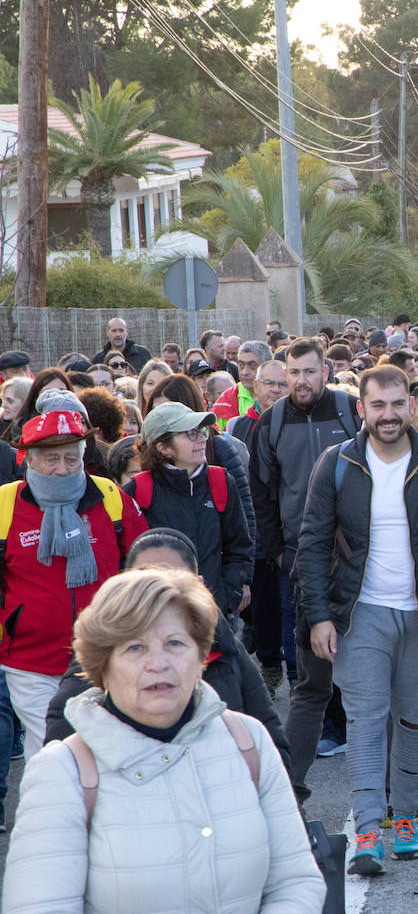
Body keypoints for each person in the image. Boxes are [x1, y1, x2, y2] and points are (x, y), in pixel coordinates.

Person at [1, 569, 325, 912]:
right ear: (102, 665)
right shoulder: (62, 772)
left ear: (201, 656)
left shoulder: (248, 741)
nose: (158, 663)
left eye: (175, 643)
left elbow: (295, 881)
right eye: (135, 647)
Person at [294, 364, 418, 875]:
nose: (388, 416)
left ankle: (404, 819)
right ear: (361, 408)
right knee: (365, 721)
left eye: (397, 404)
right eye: (378, 406)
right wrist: (319, 616)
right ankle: (367, 829)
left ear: (411, 405)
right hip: (359, 612)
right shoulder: (338, 463)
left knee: (413, 720)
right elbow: (314, 542)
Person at [43, 527, 290, 770]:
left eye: (172, 579)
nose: (157, 594)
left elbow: (272, 748)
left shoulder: (227, 648)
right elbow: (61, 738)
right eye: (144, 580)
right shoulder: (105, 651)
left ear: (198, 586)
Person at [0, 408, 148, 759]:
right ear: (29, 460)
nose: (63, 468)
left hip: (106, 652)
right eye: (51, 459)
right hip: (30, 659)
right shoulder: (5, 505)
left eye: (71, 457)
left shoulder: (110, 496)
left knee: (106, 747)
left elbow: (146, 560)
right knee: (51, 749)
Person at [250, 337, 360, 798]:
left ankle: (358, 724)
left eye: (309, 372)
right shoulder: (270, 424)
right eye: (293, 373)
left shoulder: (352, 412)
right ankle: (325, 732)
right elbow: (262, 495)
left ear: (326, 373)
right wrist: (278, 553)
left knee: (357, 641)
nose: (300, 381)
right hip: (297, 556)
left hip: (357, 556)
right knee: (310, 650)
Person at [128, 403, 253, 620]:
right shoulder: (138, 490)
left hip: (215, 612)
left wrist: (227, 594)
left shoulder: (221, 481)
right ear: (163, 447)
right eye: (190, 434)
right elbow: (127, 558)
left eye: (202, 431)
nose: (202, 438)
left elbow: (239, 545)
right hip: (157, 615)